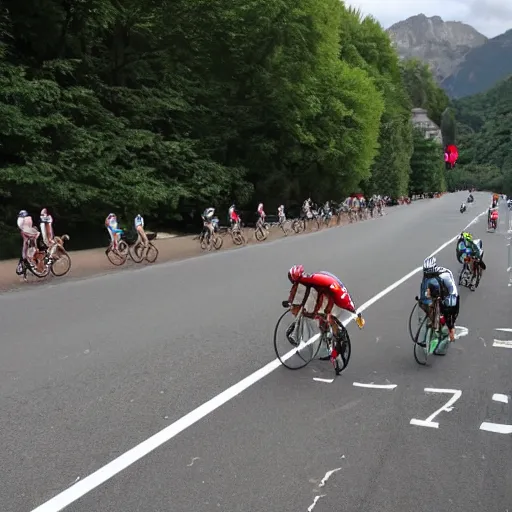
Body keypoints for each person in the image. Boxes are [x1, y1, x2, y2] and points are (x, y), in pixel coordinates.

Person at [286, 265, 365, 362]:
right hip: (336, 295)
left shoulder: (310, 280)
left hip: (338, 300)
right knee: (321, 316)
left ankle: (339, 343)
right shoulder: (311, 279)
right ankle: (330, 337)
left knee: (328, 318)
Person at [420, 257, 460, 347]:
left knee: (449, 320)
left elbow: (452, 291)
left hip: (448, 296)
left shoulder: (445, 275)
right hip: (435, 295)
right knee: (429, 311)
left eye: (428, 272)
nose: (426, 275)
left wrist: (448, 305)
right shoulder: (426, 276)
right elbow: (423, 289)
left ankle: (449, 335)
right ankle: (431, 330)